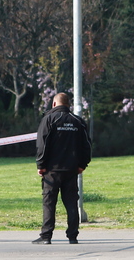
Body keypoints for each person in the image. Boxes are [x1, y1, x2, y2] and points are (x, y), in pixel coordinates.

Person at [34, 91, 91, 244]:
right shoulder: (78, 121)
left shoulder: (49, 119)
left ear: (54, 104)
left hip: (52, 170)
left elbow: (42, 144)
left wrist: (41, 165)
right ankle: (73, 236)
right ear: (68, 104)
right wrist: (82, 165)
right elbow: (87, 146)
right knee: (71, 202)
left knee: (49, 203)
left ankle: (46, 236)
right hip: (71, 169)